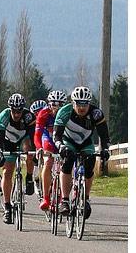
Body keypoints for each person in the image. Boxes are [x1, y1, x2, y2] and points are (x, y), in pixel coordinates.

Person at [53, 86, 110, 219]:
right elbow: (56, 136)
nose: (82, 108)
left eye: (85, 104)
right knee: (68, 162)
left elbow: (104, 135)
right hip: (68, 142)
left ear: (89, 103)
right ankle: (65, 200)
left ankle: (86, 199)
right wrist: (61, 147)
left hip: (86, 143)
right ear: (73, 103)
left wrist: (106, 150)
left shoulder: (96, 113)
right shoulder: (64, 112)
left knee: (90, 164)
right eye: (78, 104)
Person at [0, 93, 36, 224]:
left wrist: (33, 154)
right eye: (14, 111)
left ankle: (29, 177)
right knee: (7, 173)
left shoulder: (29, 116)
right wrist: (0, 153)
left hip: (24, 140)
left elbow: (33, 137)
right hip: (8, 142)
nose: (17, 114)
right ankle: (7, 208)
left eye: (19, 111)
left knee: (29, 151)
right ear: (10, 109)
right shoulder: (4, 116)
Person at [34, 90, 67, 211]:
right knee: (48, 162)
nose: (56, 108)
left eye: (60, 105)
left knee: (69, 164)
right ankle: (46, 198)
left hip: (63, 140)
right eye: (53, 104)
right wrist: (39, 148)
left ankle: (66, 196)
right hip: (48, 139)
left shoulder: (67, 114)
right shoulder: (43, 114)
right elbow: (37, 135)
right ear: (49, 104)